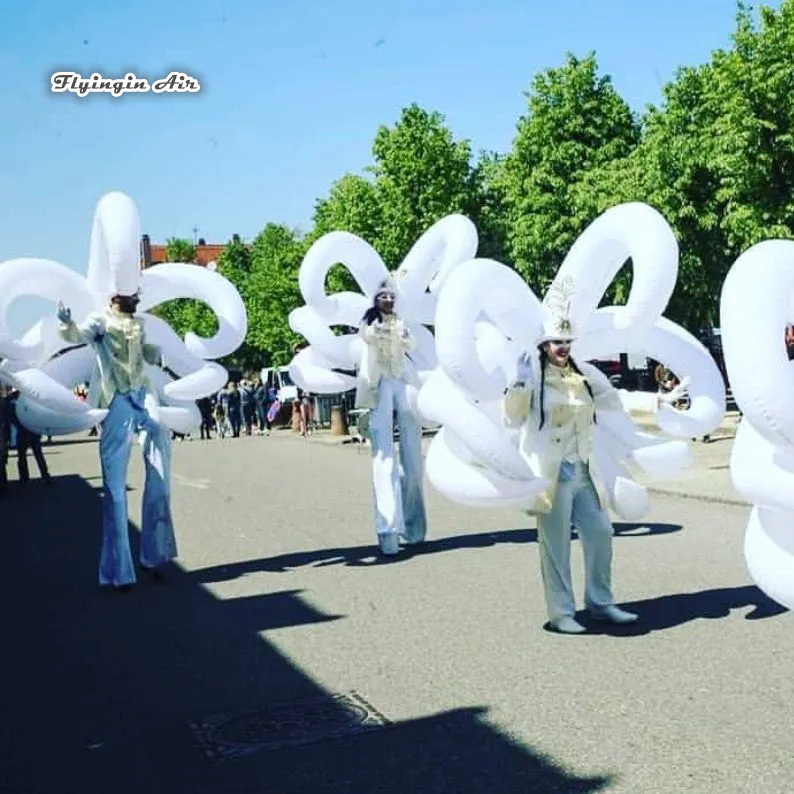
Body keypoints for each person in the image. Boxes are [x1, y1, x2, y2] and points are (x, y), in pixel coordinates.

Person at [502, 282, 688, 634]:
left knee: (601, 531)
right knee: (555, 546)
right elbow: (512, 418)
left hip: (584, 471)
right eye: (557, 343)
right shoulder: (535, 377)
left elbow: (617, 398)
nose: (563, 348)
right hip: (550, 474)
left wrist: (658, 401)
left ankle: (600, 603)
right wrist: (519, 385)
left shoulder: (584, 375)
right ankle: (561, 614)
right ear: (544, 344)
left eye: (567, 343)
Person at [57, 291, 176, 592]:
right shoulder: (99, 320)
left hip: (143, 392)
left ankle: (154, 555)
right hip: (116, 397)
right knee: (114, 489)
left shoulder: (139, 323)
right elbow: (78, 335)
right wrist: (66, 324)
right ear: (113, 296)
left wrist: (157, 353)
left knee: (161, 475)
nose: (133, 297)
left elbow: (141, 354)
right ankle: (117, 570)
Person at [355, 276, 427, 556]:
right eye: (383, 297)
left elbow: (413, 345)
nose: (388, 301)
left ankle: (415, 527)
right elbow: (368, 337)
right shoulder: (369, 325)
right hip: (380, 385)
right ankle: (388, 531)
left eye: (391, 297)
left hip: (403, 383)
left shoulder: (401, 323)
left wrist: (403, 335)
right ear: (375, 300)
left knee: (412, 458)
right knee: (384, 457)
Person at [3, 388, 52, 484]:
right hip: (33, 432)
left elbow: (9, 420)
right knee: (38, 454)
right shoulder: (30, 401)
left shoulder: (11, 404)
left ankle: (24, 477)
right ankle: (45, 475)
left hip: (22, 433)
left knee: (22, 456)